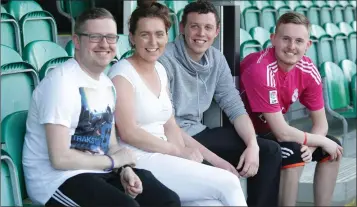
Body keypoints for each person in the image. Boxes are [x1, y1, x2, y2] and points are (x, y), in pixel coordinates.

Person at [22, 8, 180, 207]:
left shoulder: (106, 84)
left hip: (98, 172)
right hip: (57, 181)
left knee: (167, 199)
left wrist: (124, 169)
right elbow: (60, 158)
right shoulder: (60, 83)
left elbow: (110, 144)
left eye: (111, 37)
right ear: (77, 41)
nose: (105, 44)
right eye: (95, 37)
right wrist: (114, 162)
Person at [108, 1, 247, 206]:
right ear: (132, 38)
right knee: (229, 183)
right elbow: (129, 132)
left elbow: (170, 124)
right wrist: (178, 152)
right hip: (139, 159)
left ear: (167, 36)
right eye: (145, 34)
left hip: (164, 155)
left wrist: (183, 157)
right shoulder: (121, 74)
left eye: (159, 33)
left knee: (211, 204)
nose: (153, 41)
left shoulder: (160, 70)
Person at [157, 0, 282, 206]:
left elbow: (234, 106)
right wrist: (218, 161)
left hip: (200, 132)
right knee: (213, 169)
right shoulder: (165, 60)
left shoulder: (216, 58)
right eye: (194, 26)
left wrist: (252, 145)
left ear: (217, 31)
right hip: (172, 138)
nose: (201, 33)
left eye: (207, 27)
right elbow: (166, 123)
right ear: (182, 28)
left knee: (268, 151)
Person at [239, 11, 343, 206]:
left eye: (298, 41)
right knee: (292, 152)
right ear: (273, 39)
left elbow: (321, 124)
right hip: (244, 133)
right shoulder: (261, 69)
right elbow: (282, 132)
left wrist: (310, 147)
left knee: (332, 149)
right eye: (286, 39)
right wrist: (311, 143)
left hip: (270, 130)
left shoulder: (308, 69)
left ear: (308, 45)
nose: (292, 47)